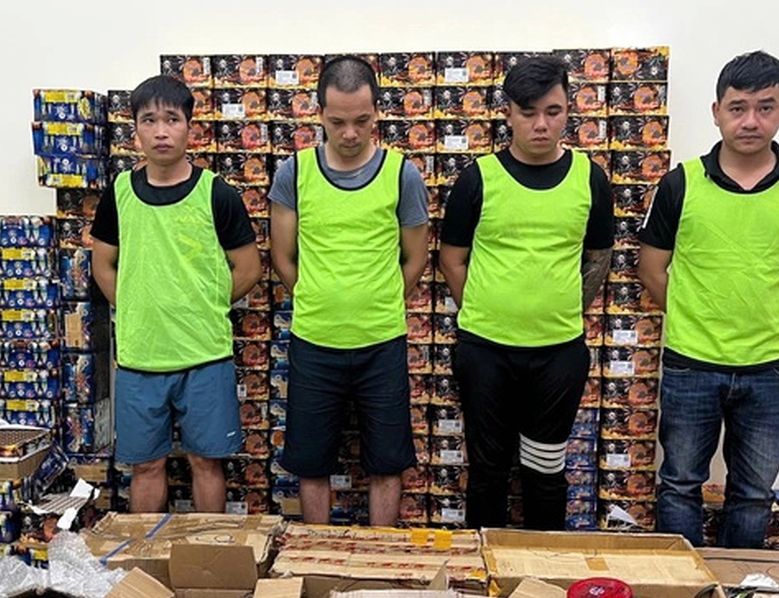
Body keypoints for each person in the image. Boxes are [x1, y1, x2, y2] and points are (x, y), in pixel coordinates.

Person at [637, 50, 779, 548]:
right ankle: (686, 588)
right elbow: (651, 269)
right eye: (738, 107)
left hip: (768, 367)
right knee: (680, 484)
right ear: (716, 112)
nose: (750, 121)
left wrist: (763, 309)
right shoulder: (680, 183)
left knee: (752, 493)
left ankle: (739, 587)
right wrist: (697, 312)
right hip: (691, 363)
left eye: (765, 107)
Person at [439, 55, 614, 530]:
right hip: (485, 350)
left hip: (558, 353)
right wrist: (484, 310)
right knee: (488, 471)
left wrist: (561, 310)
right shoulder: (478, 178)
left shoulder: (590, 178)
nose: (541, 124)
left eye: (553, 112)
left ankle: (544, 568)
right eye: (529, 112)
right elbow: (452, 258)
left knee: (545, 471)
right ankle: (482, 568)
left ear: (569, 110)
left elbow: (599, 257)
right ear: (508, 113)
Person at [269, 55, 430, 527]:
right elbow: (283, 256)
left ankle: (381, 554)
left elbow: (416, 257)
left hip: (382, 340)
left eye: (361, 120)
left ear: (377, 111)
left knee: (387, 461)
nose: (350, 133)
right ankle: (315, 554)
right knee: (311, 462)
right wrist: (318, 298)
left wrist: (378, 300)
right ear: (319, 113)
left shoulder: (402, 174)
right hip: (314, 340)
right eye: (337, 122)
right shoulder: (294, 172)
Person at [91, 75, 261, 514]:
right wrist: (134, 305)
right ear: (135, 130)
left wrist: (204, 304)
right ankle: (144, 553)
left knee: (206, 462)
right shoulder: (119, 195)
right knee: (146, 466)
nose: (161, 131)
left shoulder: (217, 194)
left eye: (172, 119)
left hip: (205, 356)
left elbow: (248, 268)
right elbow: (102, 264)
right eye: (149, 120)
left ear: (190, 127)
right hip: (140, 359)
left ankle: (208, 552)